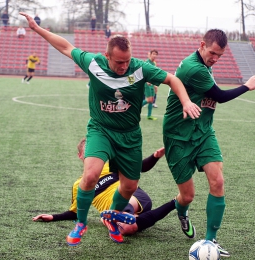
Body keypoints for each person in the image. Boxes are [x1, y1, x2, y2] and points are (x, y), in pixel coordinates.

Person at [20, 11, 201, 247]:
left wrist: (186, 101)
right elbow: (65, 46)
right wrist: (37, 28)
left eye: (127, 60)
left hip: (130, 135)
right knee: (91, 175)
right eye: (119, 62)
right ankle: (81, 223)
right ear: (107, 56)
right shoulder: (93, 62)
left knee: (130, 186)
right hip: (101, 129)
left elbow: (172, 80)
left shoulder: (140, 68)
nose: (124, 65)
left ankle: (112, 218)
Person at [163, 28, 255, 258]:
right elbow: (220, 97)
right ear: (202, 44)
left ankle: (211, 239)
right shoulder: (194, 68)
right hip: (178, 136)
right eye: (213, 53)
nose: (215, 59)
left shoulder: (205, 66)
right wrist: (248, 85)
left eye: (220, 56)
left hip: (203, 132)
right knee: (187, 196)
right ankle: (182, 212)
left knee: (218, 181)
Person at [33, 138, 176, 242]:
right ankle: (174, 203)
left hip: (135, 198)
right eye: (87, 152)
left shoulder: (110, 165)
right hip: (125, 215)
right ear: (80, 156)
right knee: (128, 229)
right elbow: (75, 213)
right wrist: (53, 217)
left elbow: (140, 167)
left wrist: (155, 156)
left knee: (123, 202)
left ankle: (117, 215)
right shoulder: (79, 185)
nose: (91, 155)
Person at [142, 50, 159, 120]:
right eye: (153, 54)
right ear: (150, 54)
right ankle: (134, 108)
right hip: (147, 84)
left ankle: (149, 115)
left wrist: (155, 85)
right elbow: (143, 72)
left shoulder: (154, 63)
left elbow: (154, 75)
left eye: (156, 54)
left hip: (152, 84)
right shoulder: (146, 62)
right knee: (149, 99)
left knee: (151, 100)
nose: (154, 56)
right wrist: (146, 80)